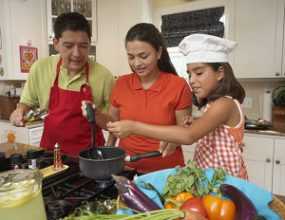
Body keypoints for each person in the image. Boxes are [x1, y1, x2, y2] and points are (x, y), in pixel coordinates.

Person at [107, 33, 248, 179]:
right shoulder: (214, 105)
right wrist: (195, 123)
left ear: (220, 73)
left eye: (199, 73)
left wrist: (133, 127)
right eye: (190, 74)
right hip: (209, 179)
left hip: (227, 183)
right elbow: (208, 132)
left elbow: (188, 136)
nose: (192, 80)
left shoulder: (224, 104)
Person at [10, 12, 114, 157]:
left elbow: (113, 124)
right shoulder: (40, 68)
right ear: (56, 43)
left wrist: (96, 115)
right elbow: (26, 103)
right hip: (50, 155)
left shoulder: (104, 76)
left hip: (90, 158)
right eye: (69, 46)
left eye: (83, 46)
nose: (77, 53)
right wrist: (19, 112)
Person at [104, 23, 192, 174]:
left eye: (143, 56)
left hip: (167, 171)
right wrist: (107, 154)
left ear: (158, 53)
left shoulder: (178, 85)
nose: (136, 63)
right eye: (131, 57)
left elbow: (183, 132)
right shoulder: (121, 83)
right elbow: (113, 126)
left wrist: (173, 141)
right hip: (126, 168)